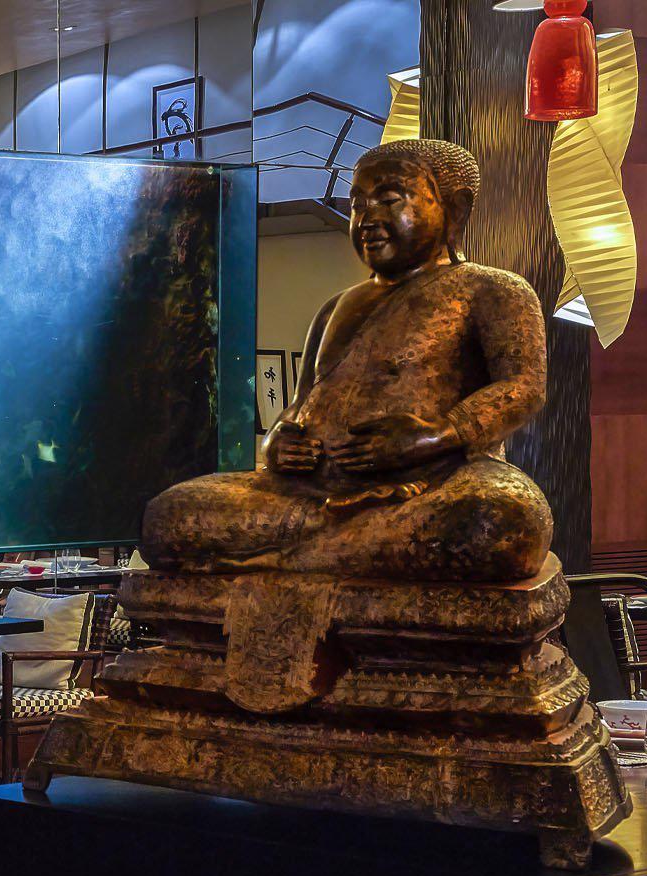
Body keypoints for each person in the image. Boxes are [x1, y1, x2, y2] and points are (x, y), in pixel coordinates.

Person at [140, 138, 554, 584]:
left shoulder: (491, 289)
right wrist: (277, 443)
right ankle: (334, 548)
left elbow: (523, 387)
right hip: (310, 493)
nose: (368, 218)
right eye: (358, 204)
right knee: (167, 518)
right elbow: (300, 403)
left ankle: (292, 553)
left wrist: (436, 435)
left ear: (455, 208)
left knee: (502, 521)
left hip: (431, 485)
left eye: (389, 200)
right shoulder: (336, 307)